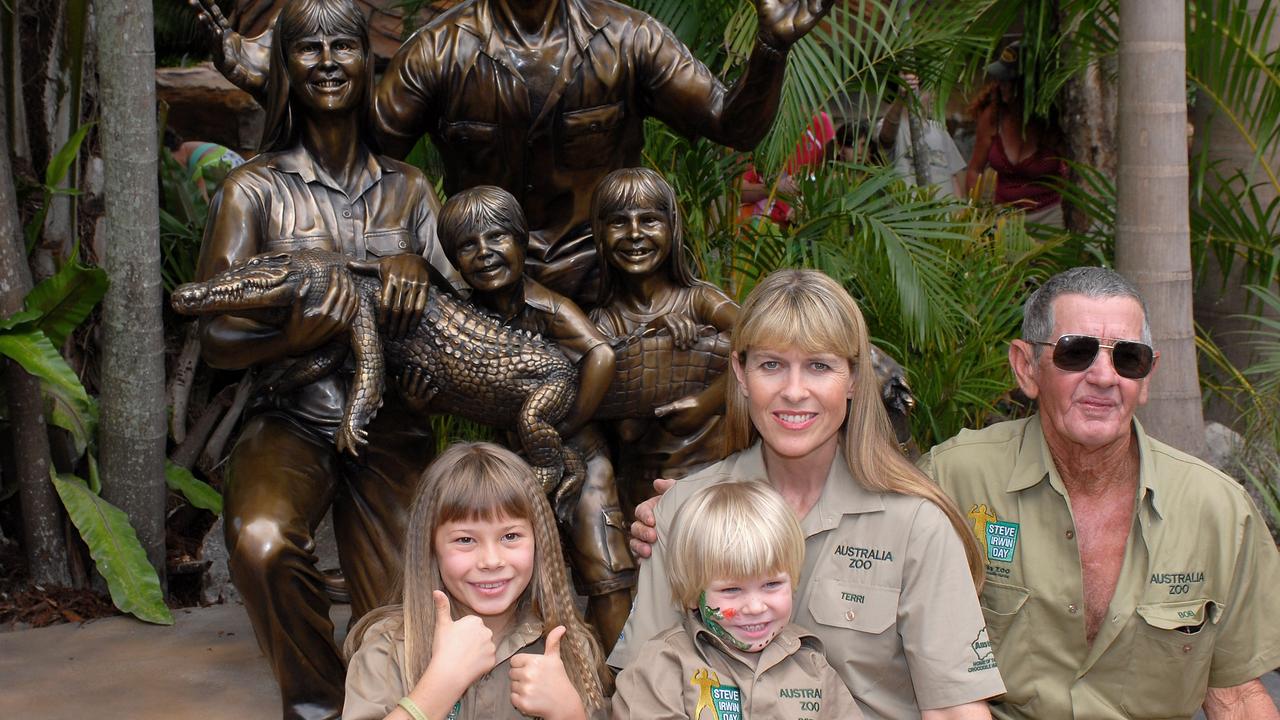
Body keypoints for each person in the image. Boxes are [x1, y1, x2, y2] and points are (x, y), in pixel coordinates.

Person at [190, 0, 837, 304]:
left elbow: (731, 125)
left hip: (610, 277)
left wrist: (772, 48)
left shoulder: (630, 36)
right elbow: (362, 157)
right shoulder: (438, 50)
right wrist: (273, 78)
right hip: (485, 283)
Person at [191, 0, 462, 716]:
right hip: (291, 417)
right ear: (284, 65)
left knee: (410, 627)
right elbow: (216, 339)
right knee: (261, 540)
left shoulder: (410, 190)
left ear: (367, 60)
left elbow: (461, 316)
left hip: (391, 425)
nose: (327, 61)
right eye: (306, 47)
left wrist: (420, 272)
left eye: (342, 44)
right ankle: (315, 705)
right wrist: (298, 335)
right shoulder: (252, 189)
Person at [613, 268, 1006, 720]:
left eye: (819, 366)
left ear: (855, 378)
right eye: (771, 365)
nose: (794, 392)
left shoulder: (915, 525)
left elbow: (956, 709)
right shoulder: (685, 509)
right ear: (740, 373)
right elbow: (641, 687)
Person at [921, 266, 1280, 719]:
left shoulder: (1220, 512)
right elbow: (904, 665)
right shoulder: (952, 480)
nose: (1105, 376)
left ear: (1146, 378)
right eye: (1077, 352)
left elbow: (1238, 696)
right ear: (1026, 367)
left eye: (1129, 358)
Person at [428, 185, 634, 649]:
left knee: (603, 559)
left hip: (580, 451)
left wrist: (566, 423)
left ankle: (623, 678)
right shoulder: (461, 313)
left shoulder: (547, 306)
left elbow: (600, 354)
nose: (485, 254)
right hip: (513, 460)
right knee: (523, 568)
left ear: (522, 243)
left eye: (498, 238)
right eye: (467, 246)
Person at [343, 442, 609, 720]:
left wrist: (568, 713)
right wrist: (441, 684)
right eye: (465, 539)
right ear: (431, 548)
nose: (491, 560)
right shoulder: (388, 648)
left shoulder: (570, 648)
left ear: (539, 542)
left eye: (510, 536)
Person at [612, 479, 862, 719]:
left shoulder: (813, 667)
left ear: (793, 583)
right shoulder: (663, 667)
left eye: (772, 584)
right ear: (691, 593)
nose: (755, 606)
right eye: (732, 590)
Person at [588, 167, 738, 505]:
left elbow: (765, 342)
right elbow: (628, 430)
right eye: (618, 222)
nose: (635, 233)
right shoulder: (603, 324)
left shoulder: (699, 300)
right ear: (599, 233)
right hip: (649, 489)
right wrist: (650, 345)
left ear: (673, 227)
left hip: (722, 477)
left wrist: (706, 401)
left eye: (650, 220)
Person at [963, 43, 1067, 226]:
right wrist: (975, 215)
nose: (1002, 86)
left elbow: (1072, 170)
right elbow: (974, 169)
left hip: (1049, 214)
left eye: (1009, 81)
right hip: (1005, 215)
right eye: (1000, 80)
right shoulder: (993, 116)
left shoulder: (1051, 120)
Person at [875, 73, 966, 198]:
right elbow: (886, 136)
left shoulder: (939, 129)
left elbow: (954, 176)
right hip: (911, 214)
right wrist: (901, 98)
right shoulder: (893, 126)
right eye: (929, 91)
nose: (934, 97)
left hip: (946, 215)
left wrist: (960, 208)